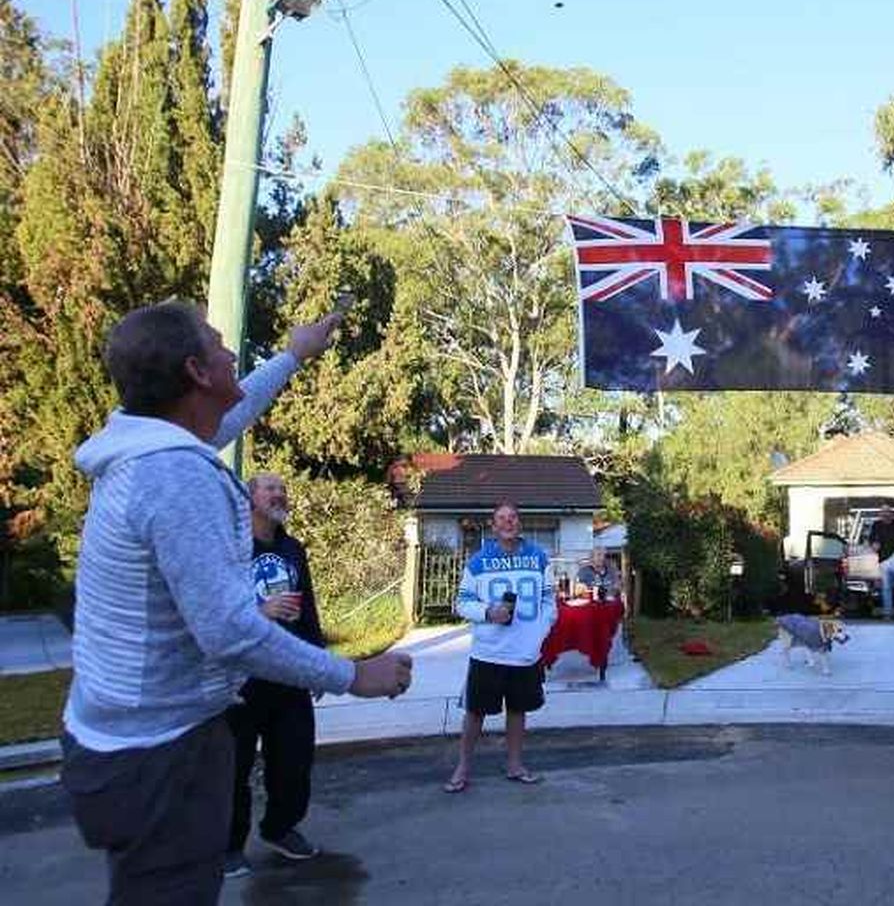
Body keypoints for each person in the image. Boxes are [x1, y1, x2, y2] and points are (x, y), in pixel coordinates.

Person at [62, 301, 413, 905]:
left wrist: (296, 354)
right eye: (221, 346)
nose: (231, 355)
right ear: (198, 372)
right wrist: (353, 674)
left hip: (127, 741)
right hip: (157, 757)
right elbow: (231, 634)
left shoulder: (152, 447)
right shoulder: (174, 475)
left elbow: (237, 407)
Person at [224, 473, 327, 878]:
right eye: (271, 488)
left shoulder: (292, 549)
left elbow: (310, 609)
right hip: (242, 677)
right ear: (249, 499)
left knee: (295, 758)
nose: (280, 493)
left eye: (282, 489)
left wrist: (318, 662)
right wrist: (259, 612)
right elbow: (215, 611)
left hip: (290, 670)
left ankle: (280, 828)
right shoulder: (230, 548)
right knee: (234, 765)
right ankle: (229, 845)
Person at [445, 501, 558, 793]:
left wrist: (540, 633)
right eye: (502, 519)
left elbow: (549, 602)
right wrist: (487, 612)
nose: (508, 523)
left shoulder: (539, 557)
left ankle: (515, 764)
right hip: (488, 652)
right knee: (475, 711)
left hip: (525, 653)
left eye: (513, 518)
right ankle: (463, 767)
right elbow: (462, 603)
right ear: (493, 527)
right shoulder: (478, 562)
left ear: (519, 523)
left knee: (518, 710)